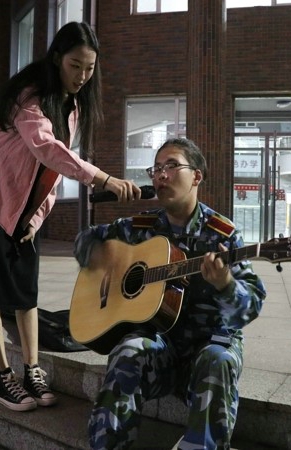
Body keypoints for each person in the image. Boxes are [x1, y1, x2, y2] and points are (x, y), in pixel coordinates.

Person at [0, 21, 141, 412]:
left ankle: (32, 370)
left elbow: (52, 171)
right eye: (75, 65)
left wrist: (37, 218)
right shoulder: (29, 96)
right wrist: (102, 178)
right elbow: (46, 147)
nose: (82, 75)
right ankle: (3, 379)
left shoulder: (72, 107)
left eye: (90, 68)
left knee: (26, 294)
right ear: (58, 58)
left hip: (25, 210)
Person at [73, 137, 267, 449]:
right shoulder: (141, 226)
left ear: (197, 176)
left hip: (206, 346)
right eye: (157, 169)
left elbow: (252, 304)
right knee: (128, 350)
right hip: (159, 347)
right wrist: (103, 258)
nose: (161, 175)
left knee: (218, 359)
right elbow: (85, 240)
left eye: (172, 166)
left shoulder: (222, 234)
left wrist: (226, 284)